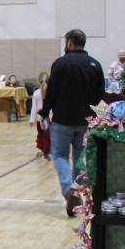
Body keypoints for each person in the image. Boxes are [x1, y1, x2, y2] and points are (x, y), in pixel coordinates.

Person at [40, 29, 104, 217]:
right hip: (85, 121)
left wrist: (45, 111)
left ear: (69, 43)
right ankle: (76, 192)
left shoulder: (60, 64)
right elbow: (100, 94)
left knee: (59, 155)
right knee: (79, 158)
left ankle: (69, 190)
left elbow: (51, 91)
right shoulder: (95, 64)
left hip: (62, 120)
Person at [29, 72, 51, 160]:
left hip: (39, 118)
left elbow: (34, 108)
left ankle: (43, 150)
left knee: (41, 134)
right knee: (47, 135)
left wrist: (31, 119)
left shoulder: (36, 93)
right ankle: (46, 152)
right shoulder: (52, 92)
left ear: (38, 81)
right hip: (48, 118)